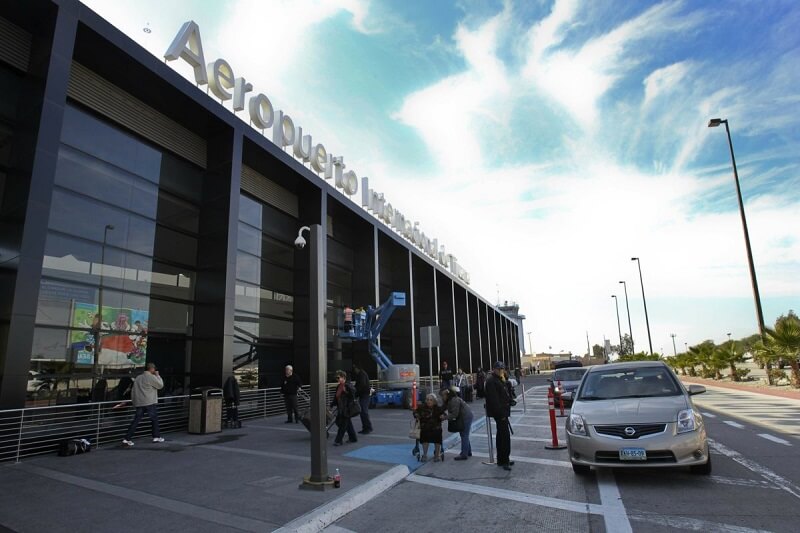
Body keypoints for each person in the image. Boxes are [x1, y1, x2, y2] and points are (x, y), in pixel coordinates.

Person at [122, 363, 164, 446]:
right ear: (151, 369)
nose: (155, 370)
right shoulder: (151, 377)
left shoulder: (138, 377)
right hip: (149, 402)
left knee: (136, 420)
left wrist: (134, 401)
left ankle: (127, 438)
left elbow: (133, 391)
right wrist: (158, 376)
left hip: (139, 402)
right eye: (154, 369)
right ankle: (156, 436)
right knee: (154, 419)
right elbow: (160, 385)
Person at [484, 361, 513, 470]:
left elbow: (504, 394)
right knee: (504, 437)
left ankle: (503, 458)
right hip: (500, 413)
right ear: (494, 369)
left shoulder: (500, 379)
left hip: (503, 411)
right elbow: (494, 400)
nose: (501, 370)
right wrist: (501, 413)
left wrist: (510, 401)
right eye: (499, 369)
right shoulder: (491, 381)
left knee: (502, 436)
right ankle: (503, 460)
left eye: (502, 369)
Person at [442, 386, 473, 460]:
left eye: (443, 395)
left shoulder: (454, 400)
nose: (442, 397)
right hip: (466, 416)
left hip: (466, 417)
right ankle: (468, 451)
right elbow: (443, 408)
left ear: (448, 395)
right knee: (464, 434)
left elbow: (454, 414)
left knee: (464, 435)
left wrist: (445, 417)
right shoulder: (450, 400)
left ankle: (464, 454)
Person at [414, 393, 444, 461]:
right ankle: (424, 455)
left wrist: (443, 417)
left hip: (436, 428)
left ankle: (437, 455)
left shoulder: (438, 408)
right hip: (425, 427)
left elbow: (444, 414)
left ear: (434, 401)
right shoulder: (422, 407)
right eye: (427, 400)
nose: (429, 401)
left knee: (437, 435)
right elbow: (415, 412)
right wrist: (417, 415)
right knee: (425, 435)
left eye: (431, 400)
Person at [331, 370, 358, 446]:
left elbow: (353, 395)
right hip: (341, 408)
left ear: (343, 377)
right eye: (336, 378)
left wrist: (346, 392)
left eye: (338, 377)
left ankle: (338, 440)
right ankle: (353, 438)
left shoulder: (348, 385)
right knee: (345, 423)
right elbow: (336, 397)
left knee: (343, 424)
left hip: (347, 409)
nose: (337, 379)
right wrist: (332, 405)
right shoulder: (339, 386)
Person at [352, 363, 373, 434]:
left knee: (364, 411)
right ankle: (366, 428)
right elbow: (359, 385)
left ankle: (368, 428)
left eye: (354, 368)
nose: (354, 370)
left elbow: (361, 385)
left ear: (357, 368)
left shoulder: (362, 374)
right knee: (363, 411)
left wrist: (355, 392)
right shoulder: (360, 374)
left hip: (365, 395)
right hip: (363, 395)